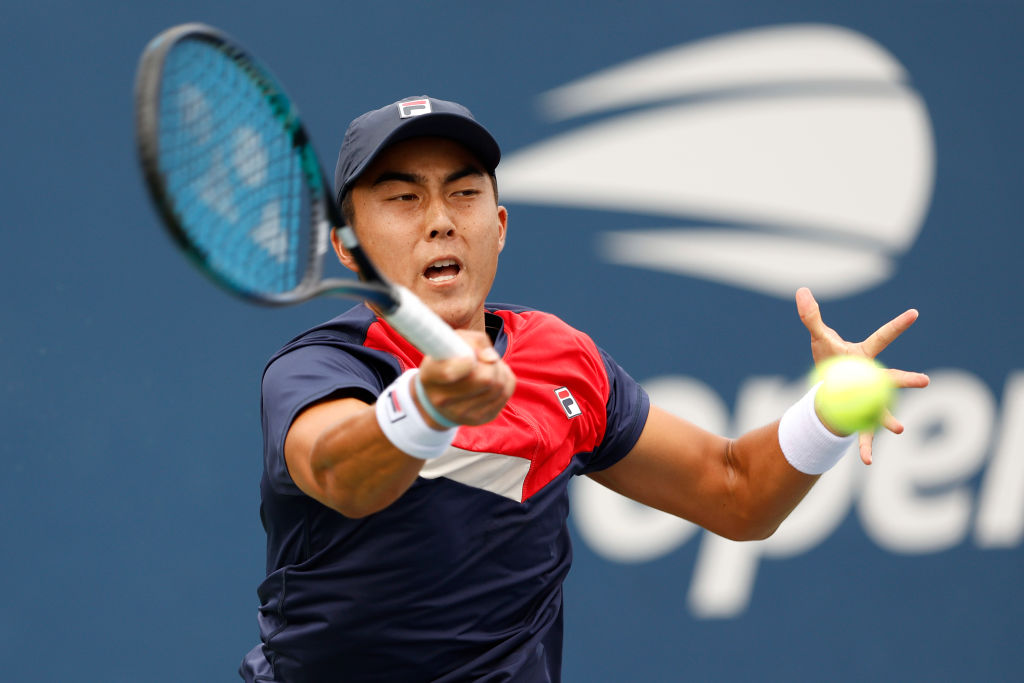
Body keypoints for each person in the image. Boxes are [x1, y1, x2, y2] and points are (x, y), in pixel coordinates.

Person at [239, 96, 929, 682]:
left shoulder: (561, 359)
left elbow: (736, 491)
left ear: (499, 227)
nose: (440, 218)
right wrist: (427, 405)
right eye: (402, 197)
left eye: (465, 191)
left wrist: (830, 412)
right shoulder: (322, 369)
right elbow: (339, 471)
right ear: (348, 245)